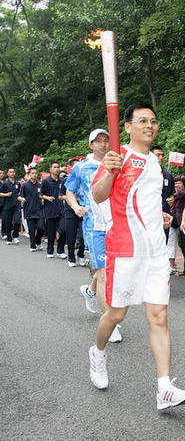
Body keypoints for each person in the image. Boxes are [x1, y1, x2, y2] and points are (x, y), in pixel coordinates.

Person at [91, 102, 185, 410]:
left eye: (153, 121)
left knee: (159, 318)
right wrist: (110, 171)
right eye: (142, 121)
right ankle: (97, 353)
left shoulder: (154, 163)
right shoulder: (117, 155)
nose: (149, 125)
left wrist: (160, 215)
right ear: (128, 126)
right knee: (116, 314)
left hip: (154, 251)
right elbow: (98, 194)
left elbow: (143, 199)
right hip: (125, 250)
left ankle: (164, 388)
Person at [65, 129, 121, 343]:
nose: (103, 144)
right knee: (104, 272)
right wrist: (75, 205)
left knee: (107, 271)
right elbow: (70, 190)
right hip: (95, 226)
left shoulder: (115, 162)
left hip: (116, 224)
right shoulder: (81, 167)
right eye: (98, 141)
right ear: (90, 145)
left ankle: (90, 291)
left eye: (106, 140)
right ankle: (111, 323)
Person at [59, 158, 85, 267]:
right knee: (71, 235)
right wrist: (73, 198)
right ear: (70, 168)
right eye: (74, 166)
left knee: (84, 236)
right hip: (70, 211)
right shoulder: (66, 180)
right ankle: (71, 257)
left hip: (84, 210)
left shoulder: (85, 179)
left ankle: (81, 255)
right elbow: (61, 196)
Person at [40, 162, 66, 258]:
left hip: (61, 209)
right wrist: (47, 198)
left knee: (63, 230)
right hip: (50, 209)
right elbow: (41, 194)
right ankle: (50, 250)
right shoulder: (46, 181)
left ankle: (60, 250)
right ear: (50, 169)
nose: (57, 169)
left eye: (58, 167)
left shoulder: (62, 181)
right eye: (54, 167)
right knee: (51, 232)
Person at [151, 146, 175, 242]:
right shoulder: (144, 174)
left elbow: (171, 194)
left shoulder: (168, 176)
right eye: (158, 155)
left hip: (165, 216)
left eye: (162, 155)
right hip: (149, 216)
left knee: (163, 244)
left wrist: (172, 199)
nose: (161, 157)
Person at [18, 168, 44, 251]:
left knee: (41, 228)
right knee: (32, 230)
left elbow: (43, 195)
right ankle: (32, 245)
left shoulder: (40, 185)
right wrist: (22, 199)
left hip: (39, 210)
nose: (34, 175)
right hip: (29, 210)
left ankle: (38, 241)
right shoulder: (25, 185)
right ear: (29, 174)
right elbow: (20, 196)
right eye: (33, 173)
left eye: (36, 173)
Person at [0, 168, 21, 244]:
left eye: (13, 172)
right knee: (8, 223)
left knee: (17, 222)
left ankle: (15, 235)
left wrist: (20, 198)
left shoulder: (17, 183)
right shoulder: (5, 184)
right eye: (10, 172)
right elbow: (0, 193)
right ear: (8, 174)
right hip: (7, 206)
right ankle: (9, 238)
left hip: (16, 206)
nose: (12, 173)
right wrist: (6, 194)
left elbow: (20, 193)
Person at [0, 169, 6, 238]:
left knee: (4, 218)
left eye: (2, 173)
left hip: (4, 203)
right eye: (0, 173)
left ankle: (4, 233)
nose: (1, 174)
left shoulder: (6, 183)